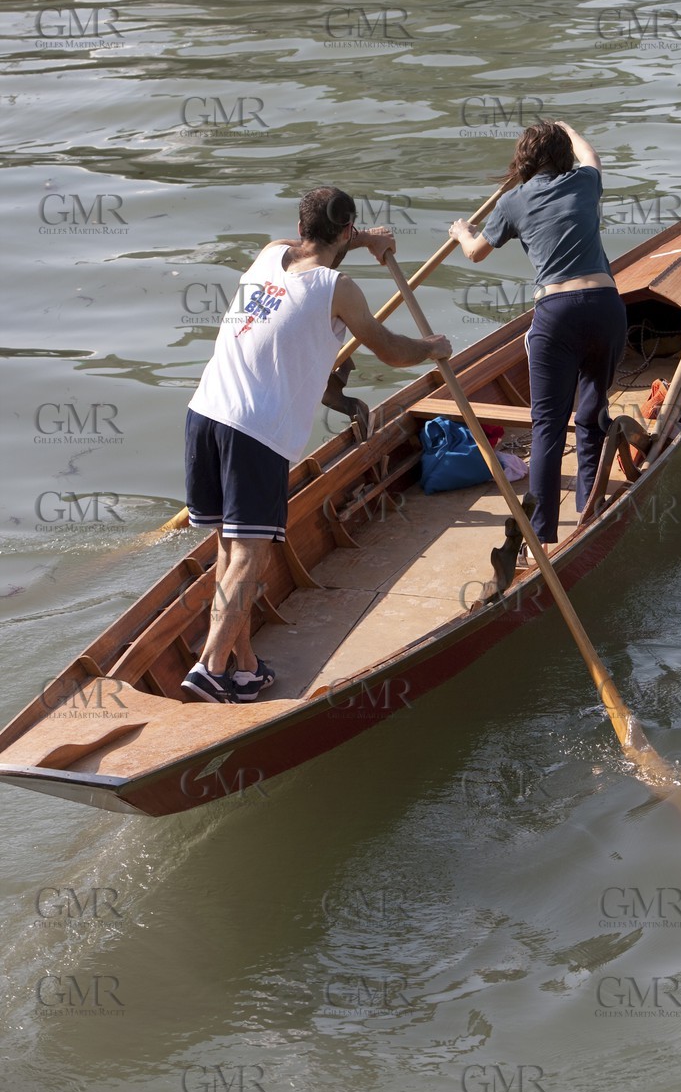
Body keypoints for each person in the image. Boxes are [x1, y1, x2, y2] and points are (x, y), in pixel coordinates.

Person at [181, 186, 452, 703]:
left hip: (205, 413)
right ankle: (210, 667)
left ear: (301, 225)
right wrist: (432, 347)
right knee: (248, 555)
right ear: (345, 232)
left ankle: (242, 664)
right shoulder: (337, 287)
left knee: (229, 546)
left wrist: (364, 237)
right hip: (255, 430)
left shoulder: (269, 255)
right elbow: (391, 350)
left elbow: (318, 244)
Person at [450, 121, 626, 547]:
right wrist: (569, 127)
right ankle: (590, 507)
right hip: (606, 307)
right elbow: (591, 156)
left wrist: (461, 232)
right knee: (592, 411)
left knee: (547, 425)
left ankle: (541, 532)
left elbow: (475, 253)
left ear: (524, 161)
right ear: (563, 156)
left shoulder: (511, 201)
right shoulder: (584, 183)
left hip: (557, 313)